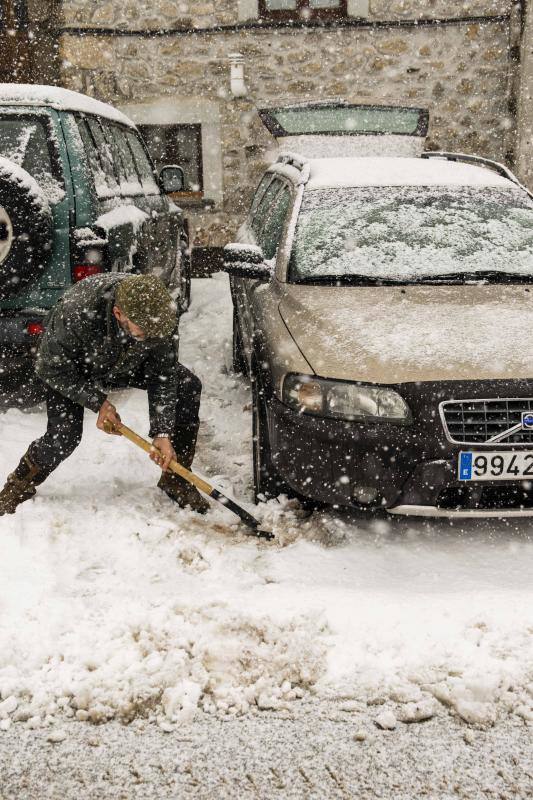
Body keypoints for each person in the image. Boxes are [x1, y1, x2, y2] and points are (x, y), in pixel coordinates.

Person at [0, 272, 209, 516]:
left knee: (187, 385)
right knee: (63, 437)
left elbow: (164, 374)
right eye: (144, 333)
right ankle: (19, 484)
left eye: (156, 334)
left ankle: (176, 478)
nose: (153, 337)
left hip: (125, 362)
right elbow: (49, 367)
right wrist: (98, 402)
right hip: (73, 367)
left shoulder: (160, 315)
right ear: (119, 314)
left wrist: (163, 432)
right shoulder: (77, 311)